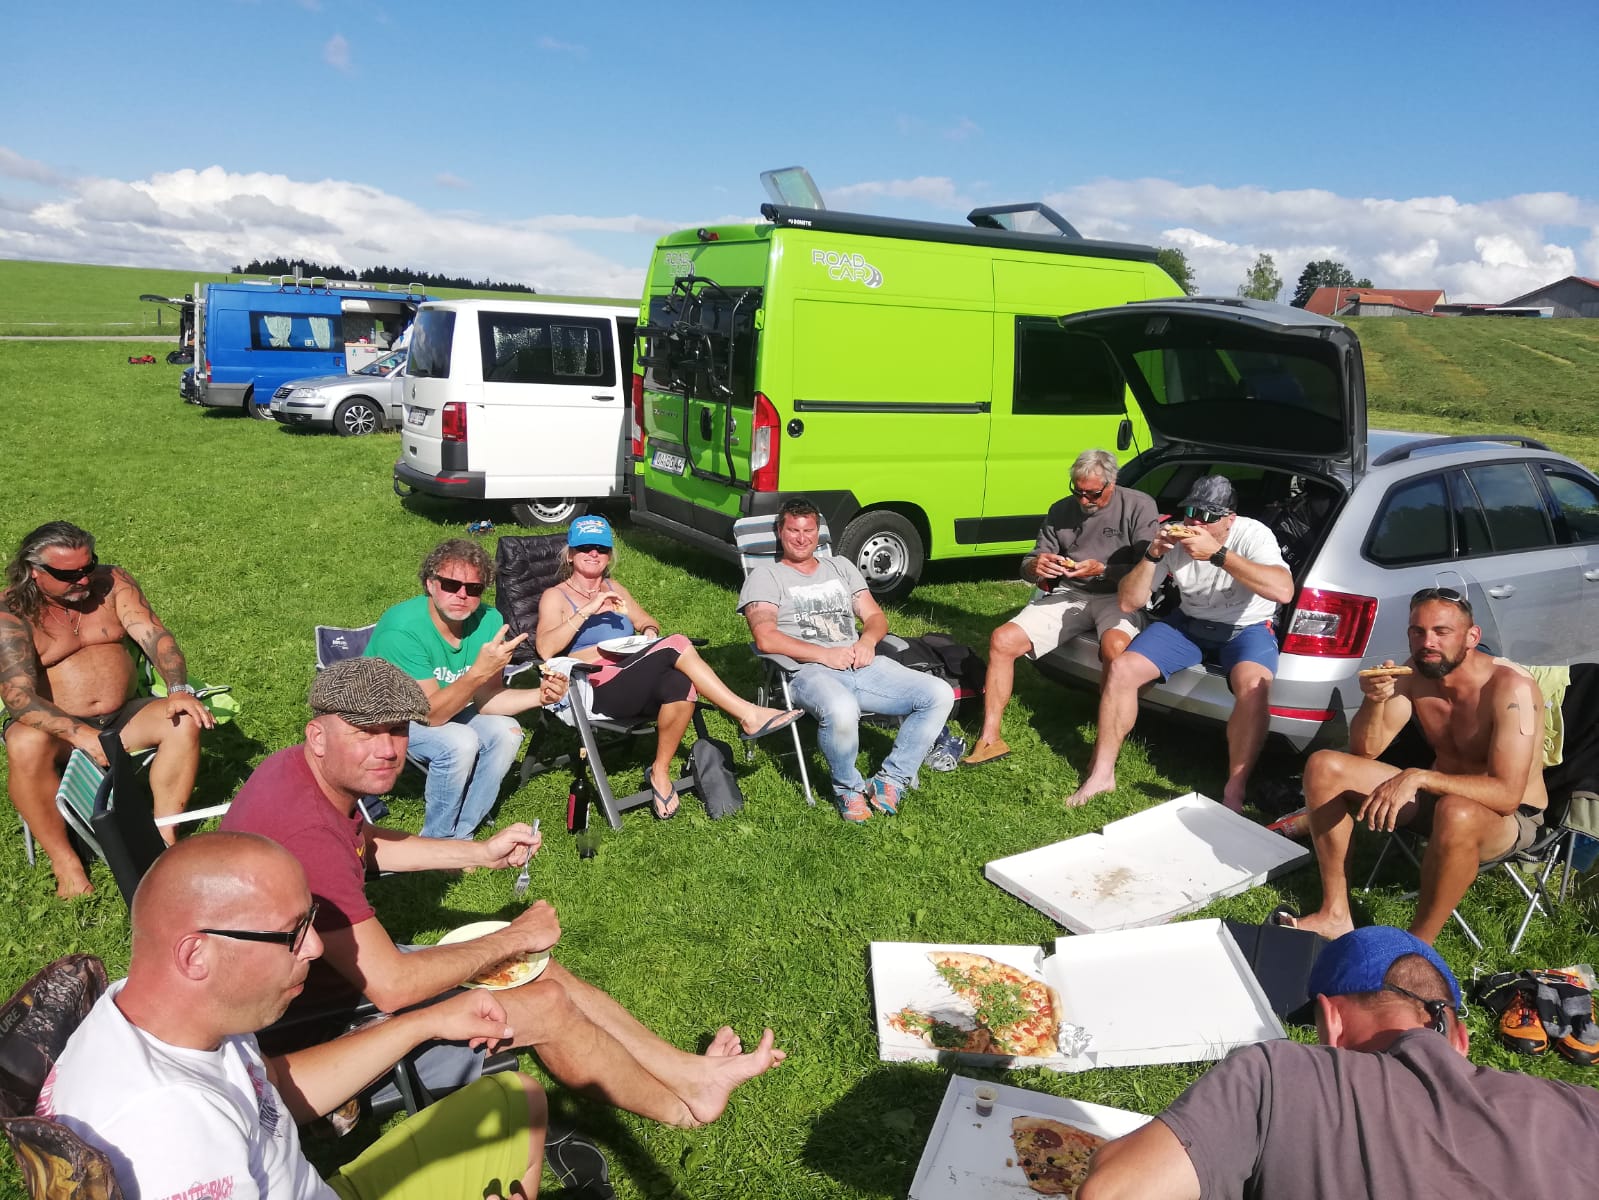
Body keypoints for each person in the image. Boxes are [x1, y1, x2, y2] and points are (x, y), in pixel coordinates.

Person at [221, 656, 785, 1130]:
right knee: (547, 1002)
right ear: (318, 735)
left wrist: (479, 851)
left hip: (327, 981)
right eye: (365, 733)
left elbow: (364, 845)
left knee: (538, 968)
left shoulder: (297, 773)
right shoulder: (307, 836)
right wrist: (514, 935)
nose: (388, 749)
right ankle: (684, 1111)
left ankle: (691, 1075)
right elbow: (392, 986)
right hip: (311, 1025)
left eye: (397, 731)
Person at [39, 832, 549, 1200]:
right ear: (196, 955)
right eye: (291, 933)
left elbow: (274, 1087)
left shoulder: (168, 1012)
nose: (315, 946)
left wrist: (421, 1024)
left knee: (515, 1100)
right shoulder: (170, 1132)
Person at [1077, 925, 1599, 1200]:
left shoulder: (1278, 1078)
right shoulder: (1583, 1109)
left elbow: (1112, 1192)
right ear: (1459, 1038)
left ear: (1330, 1022)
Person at [1284, 588, 1548, 943]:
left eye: (1442, 631)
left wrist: (1419, 777)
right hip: (1437, 798)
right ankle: (1335, 915)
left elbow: (1507, 795)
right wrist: (1374, 700)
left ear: (1472, 637)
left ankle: (1417, 945)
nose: (1427, 642)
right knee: (1324, 767)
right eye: (1417, 631)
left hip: (1508, 819)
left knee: (1456, 811)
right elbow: (1366, 750)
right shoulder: (1414, 674)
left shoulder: (1512, 689)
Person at [534, 514, 801, 819]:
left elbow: (647, 621)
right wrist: (588, 611)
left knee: (680, 684)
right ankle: (747, 714)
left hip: (631, 677)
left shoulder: (614, 588)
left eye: (601, 548)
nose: (594, 553)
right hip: (595, 688)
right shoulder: (555, 596)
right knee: (676, 643)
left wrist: (648, 633)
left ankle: (660, 772)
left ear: (609, 555)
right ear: (570, 554)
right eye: (585, 547)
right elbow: (546, 649)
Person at [0, 521, 215, 897]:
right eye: (69, 575)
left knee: (182, 719)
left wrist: (179, 689)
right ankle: (65, 861)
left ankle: (163, 836)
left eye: (88, 566)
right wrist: (81, 734)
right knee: (24, 743)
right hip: (59, 730)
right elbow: (18, 698)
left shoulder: (112, 583)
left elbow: (155, 636)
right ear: (35, 571)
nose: (83, 580)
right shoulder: (12, 611)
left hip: (124, 715)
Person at [1066, 476, 1293, 810]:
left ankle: (1234, 791)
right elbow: (1128, 602)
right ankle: (1102, 774)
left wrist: (1218, 554)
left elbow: (1283, 591)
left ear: (1229, 519)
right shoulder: (1171, 536)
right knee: (1123, 669)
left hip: (1246, 627)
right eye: (1190, 512)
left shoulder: (1253, 534)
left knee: (1254, 688)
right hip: (1190, 622)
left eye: (1207, 516)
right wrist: (1152, 556)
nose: (1195, 523)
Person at [739, 498, 955, 822]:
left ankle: (891, 780)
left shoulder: (840, 567)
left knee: (939, 694)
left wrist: (867, 641)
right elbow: (765, 638)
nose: (801, 538)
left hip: (861, 663)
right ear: (780, 532)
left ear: (818, 533)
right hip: (807, 670)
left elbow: (875, 617)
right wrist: (825, 654)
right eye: (793, 530)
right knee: (841, 709)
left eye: (808, 530)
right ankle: (848, 789)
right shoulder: (766, 576)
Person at [963, 449, 1159, 766]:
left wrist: (1104, 570)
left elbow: (1148, 567)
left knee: (1115, 649)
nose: (1084, 500)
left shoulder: (1138, 505)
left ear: (1112, 483)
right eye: (1077, 491)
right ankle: (990, 738)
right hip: (1071, 592)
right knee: (1002, 639)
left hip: (1118, 594)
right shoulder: (1061, 509)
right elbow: (1029, 562)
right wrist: (1036, 566)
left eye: (1092, 494)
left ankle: (1105, 747)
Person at [365, 537, 553, 839]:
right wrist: (479, 671)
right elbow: (432, 716)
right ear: (430, 584)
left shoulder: (489, 621)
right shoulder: (402, 629)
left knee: (508, 732)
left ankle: (463, 833)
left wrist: (540, 695)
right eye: (451, 585)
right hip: (387, 719)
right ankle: (437, 840)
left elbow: (487, 698)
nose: (462, 595)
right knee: (459, 742)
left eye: (474, 589)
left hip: (445, 707)